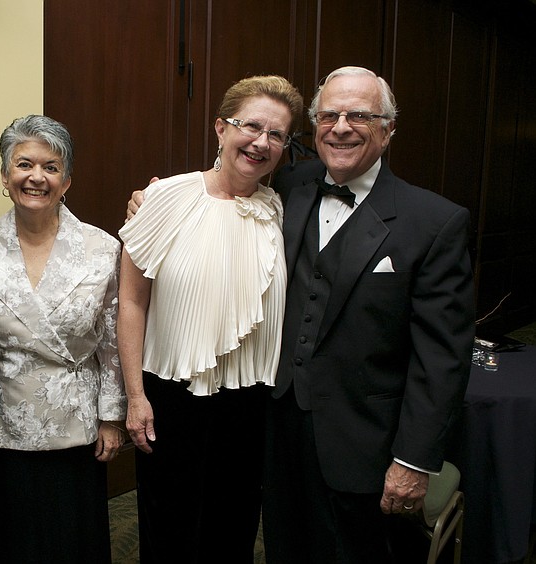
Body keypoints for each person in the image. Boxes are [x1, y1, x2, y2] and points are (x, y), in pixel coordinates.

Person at [128, 66, 476, 563]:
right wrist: (154, 201)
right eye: (329, 115)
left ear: (389, 128)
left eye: (360, 115)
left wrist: (413, 460)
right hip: (275, 432)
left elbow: (442, 359)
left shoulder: (434, 221)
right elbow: (219, 198)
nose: (341, 127)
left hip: (363, 446)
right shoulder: (288, 186)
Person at [118, 75, 304, 563]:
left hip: (251, 399)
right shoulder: (165, 198)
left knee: (234, 526)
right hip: (171, 395)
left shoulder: (282, 211)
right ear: (220, 128)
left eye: (277, 135)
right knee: (169, 526)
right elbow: (131, 302)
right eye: (251, 126)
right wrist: (135, 396)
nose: (261, 142)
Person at [0, 115, 127, 564]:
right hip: (2, 424)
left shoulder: (102, 247)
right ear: (5, 176)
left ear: (67, 180)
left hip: (77, 426)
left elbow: (112, 340)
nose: (36, 177)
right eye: (24, 164)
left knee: (71, 541)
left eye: (51, 167)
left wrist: (111, 417)